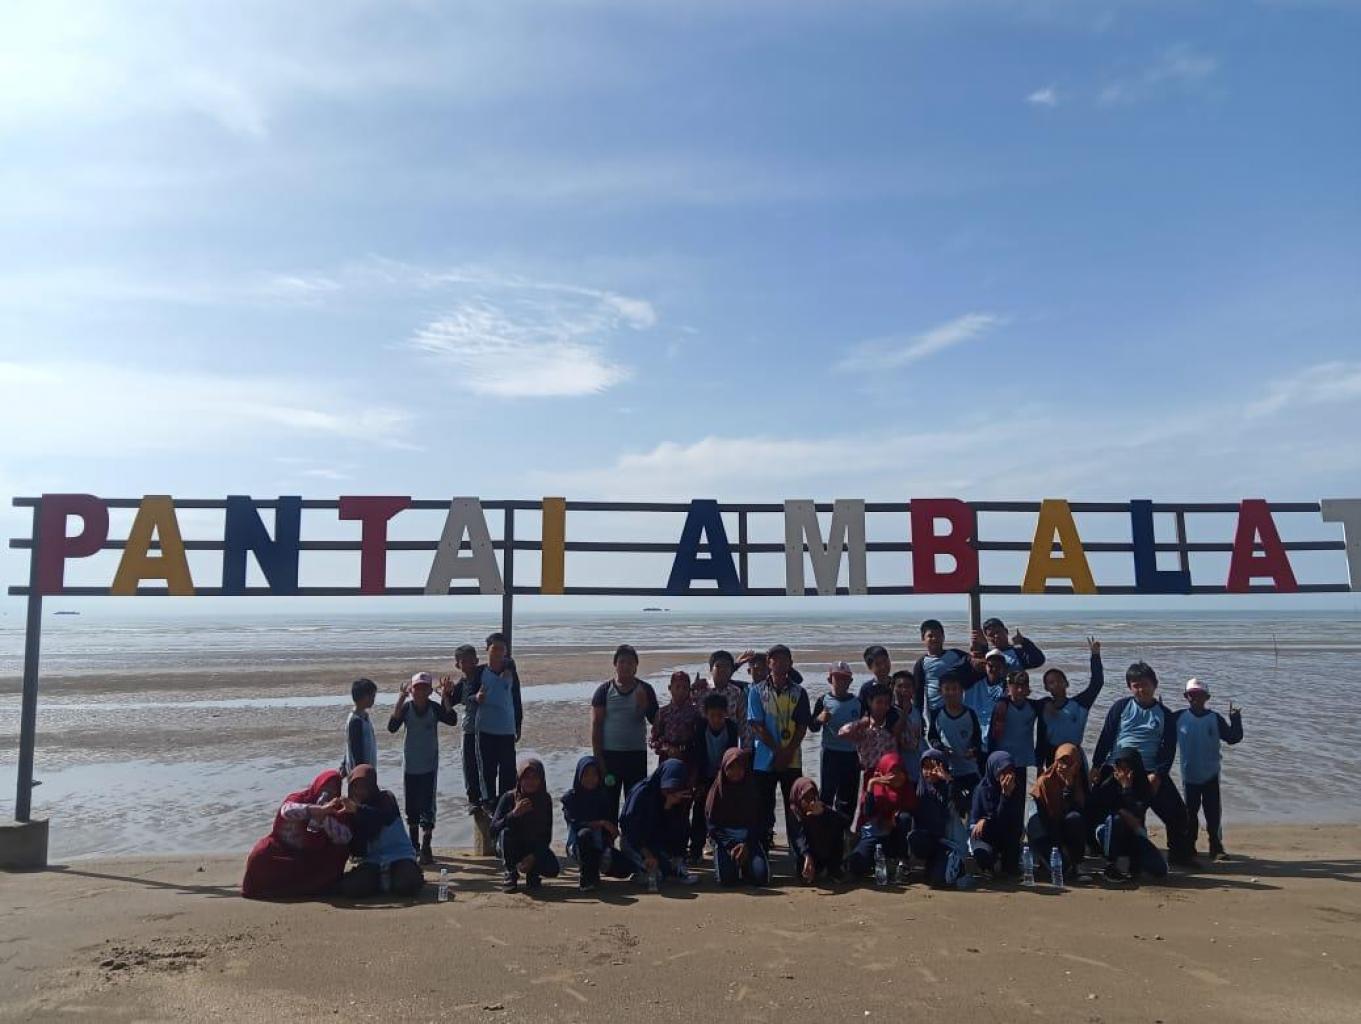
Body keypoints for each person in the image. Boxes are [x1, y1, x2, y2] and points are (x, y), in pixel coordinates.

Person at [1091, 661, 1197, 866]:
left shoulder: (1165, 714)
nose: (1141, 689)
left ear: (1155, 685)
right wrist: (1096, 765)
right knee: (1098, 808)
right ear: (1129, 687)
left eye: (1145, 684)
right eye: (1135, 685)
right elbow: (1106, 737)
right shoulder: (1120, 707)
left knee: (1178, 813)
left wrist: (1158, 774)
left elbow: (1168, 749)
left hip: (1149, 771)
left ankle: (1179, 855)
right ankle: (1103, 851)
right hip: (1119, 769)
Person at [241, 769, 353, 900]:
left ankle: (316, 887)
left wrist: (325, 818)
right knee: (260, 856)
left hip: (313, 856)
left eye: (333, 789)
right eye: (325, 787)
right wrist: (315, 810)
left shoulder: (338, 810)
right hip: (283, 850)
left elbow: (345, 838)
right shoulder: (299, 798)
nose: (328, 792)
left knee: (338, 852)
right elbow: (286, 811)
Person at [444, 635, 522, 814]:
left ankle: (506, 803)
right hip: (484, 729)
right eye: (495, 648)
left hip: (507, 728)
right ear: (487, 650)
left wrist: (518, 723)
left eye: (502, 649)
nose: (498, 652)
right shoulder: (479, 673)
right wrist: (474, 697)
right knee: (485, 770)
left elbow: (516, 697)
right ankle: (486, 803)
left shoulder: (510, 671)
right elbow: (466, 696)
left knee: (508, 770)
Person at [386, 671, 457, 864]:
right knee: (411, 807)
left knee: (428, 807)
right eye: (417, 688)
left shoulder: (434, 708)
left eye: (425, 688)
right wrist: (400, 699)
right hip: (410, 766)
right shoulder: (407, 708)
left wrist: (445, 697)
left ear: (429, 691)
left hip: (429, 766)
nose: (420, 692)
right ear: (412, 690)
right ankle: (413, 846)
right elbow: (392, 727)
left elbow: (452, 720)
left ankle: (426, 846)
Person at [746, 644, 811, 852]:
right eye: (776, 659)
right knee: (763, 806)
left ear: (791, 663)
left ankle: (798, 851)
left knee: (794, 806)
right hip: (764, 759)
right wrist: (778, 751)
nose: (780, 663)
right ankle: (762, 849)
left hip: (792, 758)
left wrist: (788, 752)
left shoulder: (799, 692)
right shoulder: (756, 691)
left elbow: (802, 726)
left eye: (785, 659)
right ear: (769, 663)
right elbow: (756, 725)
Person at [1175, 678, 1245, 861]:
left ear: (1207, 697)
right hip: (1189, 775)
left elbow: (1233, 738)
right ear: (1186, 696)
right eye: (1192, 695)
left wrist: (1235, 719)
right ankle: (1189, 846)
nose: (1196, 698)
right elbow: (1162, 735)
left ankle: (1216, 846)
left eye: (1200, 695)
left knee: (1212, 813)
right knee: (1190, 813)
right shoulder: (1178, 717)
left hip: (1211, 774)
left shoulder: (1215, 718)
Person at [591, 644, 660, 818]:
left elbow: (657, 722)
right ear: (615, 665)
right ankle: (609, 834)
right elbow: (596, 726)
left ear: (636, 666)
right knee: (608, 805)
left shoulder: (645, 689)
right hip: (610, 756)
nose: (626, 666)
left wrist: (644, 706)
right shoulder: (604, 691)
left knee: (635, 804)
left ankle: (632, 834)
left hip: (636, 755)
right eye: (622, 662)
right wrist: (598, 758)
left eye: (630, 662)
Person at [341, 764, 424, 899]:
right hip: (373, 860)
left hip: (399, 855)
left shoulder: (386, 798)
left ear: (372, 786)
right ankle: (381, 881)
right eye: (355, 787)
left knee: (407, 885)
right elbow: (358, 850)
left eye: (364, 787)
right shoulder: (349, 812)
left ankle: (395, 879)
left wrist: (358, 810)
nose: (359, 791)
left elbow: (381, 817)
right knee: (351, 888)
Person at [1088, 747, 1168, 883]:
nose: (1123, 773)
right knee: (1116, 820)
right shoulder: (1107, 785)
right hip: (1108, 834)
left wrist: (1126, 788)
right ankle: (1112, 864)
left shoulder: (1143, 786)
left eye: (1127, 768)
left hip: (1133, 833)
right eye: (1120, 768)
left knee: (1159, 870)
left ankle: (1132, 863)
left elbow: (1138, 812)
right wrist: (1122, 812)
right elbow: (1097, 812)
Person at [561, 755, 637, 891]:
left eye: (594, 774)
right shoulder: (570, 798)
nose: (590, 778)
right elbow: (576, 824)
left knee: (627, 868)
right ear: (579, 775)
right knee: (585, 834)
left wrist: (612, 834)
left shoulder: (603, 796)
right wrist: (601, 823)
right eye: (586, 774)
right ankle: (586, 877)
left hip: (600, 845)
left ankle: (596, 868)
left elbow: (611, 826)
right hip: (578, 845)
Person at [620, 759, 700, 886]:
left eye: (674, 787)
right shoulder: (642, 793)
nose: (670, 791)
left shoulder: (680, 796)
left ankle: (673, 867)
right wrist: (647, 854)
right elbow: (629, 828)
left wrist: (668, 807)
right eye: (667, 787)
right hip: (634, 842)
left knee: (663, 869)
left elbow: (678, 831)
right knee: (655, 876)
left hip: (656, 842)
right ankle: (640, 870)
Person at [490, 758, 560, 893]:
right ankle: (511, 872)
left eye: (535, 778)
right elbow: (493, 830)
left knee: (552, 869)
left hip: (533, 845)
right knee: (506, 833)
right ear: (519, 778)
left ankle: (533, 873)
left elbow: (547, 836)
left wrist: (533, 856)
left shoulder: (545, 799)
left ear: (541, 780)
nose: (530, 781)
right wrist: (513, 814)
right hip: (511, 845)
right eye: (526, 777)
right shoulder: (509, 797)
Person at [908, 749, 972, 889]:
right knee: (915, 837)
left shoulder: (950, 787)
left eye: (933, 768)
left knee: (940, 881)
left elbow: (963, 808)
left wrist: (948, 780)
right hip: (931, 840)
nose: (929, 772)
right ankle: (930, 864)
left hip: (949, 843)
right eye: (925, 768)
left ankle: (955, 867)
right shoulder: (920, 789)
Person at [1035, 637, 1104, 769]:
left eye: (1059, 680)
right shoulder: (1044, 708)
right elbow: (1041, 740)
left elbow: (1097, 683)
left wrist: (1095, 655)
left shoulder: (1081, 704)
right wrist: (1039, 767)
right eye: (1051, 682)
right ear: (1046, 688)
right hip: (1052, 756)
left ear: (1066, 683)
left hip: (1075, 755)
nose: (1056, 684)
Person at [705, 749, 769, 887]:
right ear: (724, 769)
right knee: (727, 880)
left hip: (749, 837)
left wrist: (747, 844)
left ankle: (747, 865)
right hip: (725, 839)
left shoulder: (753, 789)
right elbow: (712, 826)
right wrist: (730, 844)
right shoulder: (717, 791)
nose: (735, 772)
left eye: (739, 768)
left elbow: (761, 821)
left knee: (761, 877)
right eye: (731, 768)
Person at [809, 661, 864, 819]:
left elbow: (865, 730)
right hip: (830, 753)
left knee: (848, 797)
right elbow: (812, 727)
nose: (841, 682)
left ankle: (844, 828)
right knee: (827, 794)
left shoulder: (858, 703)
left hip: (851, 754)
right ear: (829, 679)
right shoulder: (823, 701)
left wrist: (863, 755)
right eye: (837, 678)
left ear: (850, 681)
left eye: (845, 678)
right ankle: (824, 827)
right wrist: (819, 719)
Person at [847, 753, 915, 879]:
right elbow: (868, 813)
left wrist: (893, 820)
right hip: (876, 833)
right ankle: (876, 863)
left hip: (896, 839)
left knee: (904, 818)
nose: (896, 776)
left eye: (899, 772)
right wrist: (871, 785)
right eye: (892, 772)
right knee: (856, 864)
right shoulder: (876, 788)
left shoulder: (907, 788)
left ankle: (902, 861)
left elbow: (910, 812)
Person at [1027, 743, 1088, 882]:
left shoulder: (1079, 783)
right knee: (1036, 828)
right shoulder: (1044, 782)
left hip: (1063, 827)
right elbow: (1045, 818)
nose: (1062, 767)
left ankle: (1076, 863)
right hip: (1046, 828)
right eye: (1060, 762)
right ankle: (1046, 862)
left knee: (1075, 818)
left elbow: (1079, 813)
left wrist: (1068, 788)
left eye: (1068, 763)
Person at [690, 692, 740, 861]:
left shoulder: (731, 728)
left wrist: (724, 779)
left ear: (726, 713)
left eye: (720, 715)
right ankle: (695, 850)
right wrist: (698, 782)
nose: (716, 720)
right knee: (699, 812)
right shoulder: (700, 728)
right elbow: (697, 756)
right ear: (706, 714)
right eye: (712, 715)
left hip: (724, 777)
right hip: (704, 776)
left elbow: (732, 755)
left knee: (723, 813)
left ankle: (723, 847)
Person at [926, 672, 984, 816]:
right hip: (948, 771)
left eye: (955, 689)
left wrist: (973, 750)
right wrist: (941, 748)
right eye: (947, 689)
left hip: (969, 769)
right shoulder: (937, 714)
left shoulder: (970, 714)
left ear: (961, 691)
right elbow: (932, 737)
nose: (951, 693)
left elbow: (977, 738)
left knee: (975, 806)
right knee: (952, 808)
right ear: (941, 692)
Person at [837, 682, 900, 812]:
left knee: (890, 814)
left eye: (886, 703)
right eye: (879, 702)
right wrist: (862, 722)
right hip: (869, 775)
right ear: (870, 702)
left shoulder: (891, 728)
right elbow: (842, 733)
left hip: (889, 777)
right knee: (866, 814)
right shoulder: (863, 729)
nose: (883, 706)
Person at [912, 619, 982, 729]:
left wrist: (981, 647)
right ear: (923, 638)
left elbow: (975, 663)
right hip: (935, 710)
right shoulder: (921, 663)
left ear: (943, 637)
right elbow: (918, 693)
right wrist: (918, 717)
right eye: (930, 636)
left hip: (957, 707)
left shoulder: (956, 655)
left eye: (938, 635)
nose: (934, 639)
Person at [968, 751, 1025, 879]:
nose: (1007, 776)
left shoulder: (1016, 788)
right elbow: (975, 823)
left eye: (1010, 771)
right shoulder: (982, 789)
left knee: (1011, 866)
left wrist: (1006, 795)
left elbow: (1011, 820)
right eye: (1003, 771)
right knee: (983, 857)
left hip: (1006, 832)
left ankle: (1007, 865)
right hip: (986, 835)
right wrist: (984, 820)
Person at [788, 777, 852, 883]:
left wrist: (824, 812)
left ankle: (834, 868)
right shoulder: (794, 813)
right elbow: (798, 838)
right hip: (806, 854)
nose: (811, 802)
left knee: (835, 826)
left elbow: (845, 822)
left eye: (813, 797)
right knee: (803, 875)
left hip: (826, 851)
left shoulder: (821, 807)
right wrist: (807, 856)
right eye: (806, 798)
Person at [987, 670, 1043, 777]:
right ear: (1008, 688)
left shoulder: (1034, 707)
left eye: (1024, 686)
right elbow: (992, 736)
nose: (1020, 690)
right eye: (1016, 687)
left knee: (1020, 787)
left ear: (1028, 688)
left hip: (1022, 761)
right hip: (1003, 762)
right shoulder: (1001, 707)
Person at [651, 669, 704, 769]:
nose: (681, 691)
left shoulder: (695, 713)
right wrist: (666, 748)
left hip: (689, 757)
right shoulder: (662, 713)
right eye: (677, 687)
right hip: (667, 758)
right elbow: (653, 740)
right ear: (670, 688)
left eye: (685, 688)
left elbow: (700, 740)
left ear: (689, 690)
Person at [692, 650, 748, 742]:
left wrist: (746, 747)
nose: (722, 670)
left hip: (729, 739)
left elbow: (743, 722)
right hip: (703, 741)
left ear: (731, 670)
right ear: (711, 669)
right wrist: (691, 690)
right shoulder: (701, 690)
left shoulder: (736, 692)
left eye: (727, 666)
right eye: (718, 666)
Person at [967, 649, 1011, 750]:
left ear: (1004, 668)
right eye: (991, 666)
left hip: (998, 740)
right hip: (976, 739)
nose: (994, 669)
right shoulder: (973, 686)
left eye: (998, 666)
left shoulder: (1007, 688)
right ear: (985, 666)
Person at [971, 617, 1046, 674]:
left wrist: (1024, 642)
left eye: (998, 632)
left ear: (1006, 631)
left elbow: (1038, 661)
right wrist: (983, 647)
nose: (996, 636)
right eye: (991, 635)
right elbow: (982, 669)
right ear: (987, 638)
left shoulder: (1018, 653)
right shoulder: (988, 655)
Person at [891, 669, 925, 783]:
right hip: (900, 767)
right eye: (900, 686)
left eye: (908, 686)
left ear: (913, 690)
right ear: (893, 688)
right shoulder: (890, 712)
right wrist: (904, 713)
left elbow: (920, 736)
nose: (904, 690)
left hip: (917, 764)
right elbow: (894, 736)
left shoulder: (917, 711)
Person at [342, 677, 378, 776]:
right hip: (360, 774)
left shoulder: (365, 717)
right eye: (372, 696)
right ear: (364, 697)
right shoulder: (356, 721)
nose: (373, 699)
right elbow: (355, 750)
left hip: (367, 770)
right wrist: (361, 773)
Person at [857, 645, 893, 710]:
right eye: (878, 664)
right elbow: (862, 711)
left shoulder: (896, 684)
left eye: (885, 661)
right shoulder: (867, 689)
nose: (883, 666)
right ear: (870, 667)